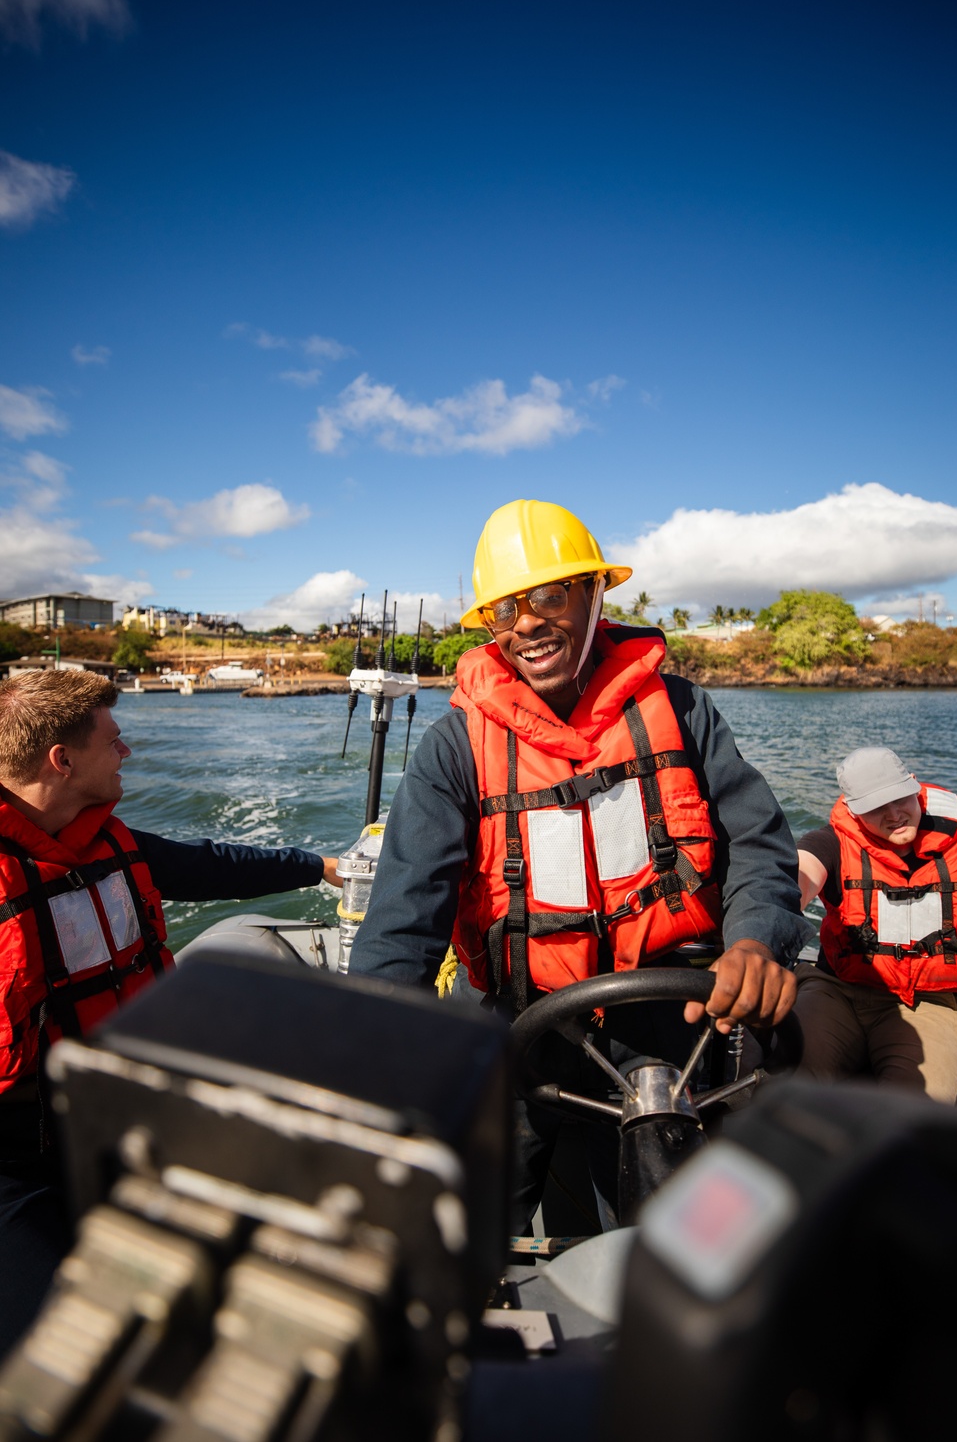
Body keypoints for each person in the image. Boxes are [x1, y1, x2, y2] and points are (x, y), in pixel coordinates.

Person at [350, 499, 808, 1227]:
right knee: (459, 1230)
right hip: (511, 1021)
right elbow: (402, 925)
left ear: (597, 593)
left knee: (663, 1233)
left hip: (661, 1022)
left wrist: (756, 937)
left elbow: (758, 843)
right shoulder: (455, 749)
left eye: (549, 595)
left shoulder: (684, 711)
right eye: (504, 610)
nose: (526, 623)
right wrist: (368, 1055)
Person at [0, 668, 340, 1358]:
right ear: (60, 761)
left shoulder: (107, 843)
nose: (127, 754)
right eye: (114, 741)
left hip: (125, 1116)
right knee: (55, 1346)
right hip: (20, 1160)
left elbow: (215, 866)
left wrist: (321, 865)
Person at [795, 745, 957, 1105]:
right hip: (835, 992)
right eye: (875, 807)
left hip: (931, 1006)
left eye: (901, 798)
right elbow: (798, 875)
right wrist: (775, 903)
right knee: (793, 1083)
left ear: (915, 788)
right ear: (853, 810)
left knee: (914, 1112)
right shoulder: (829, 843)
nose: (894, 815)